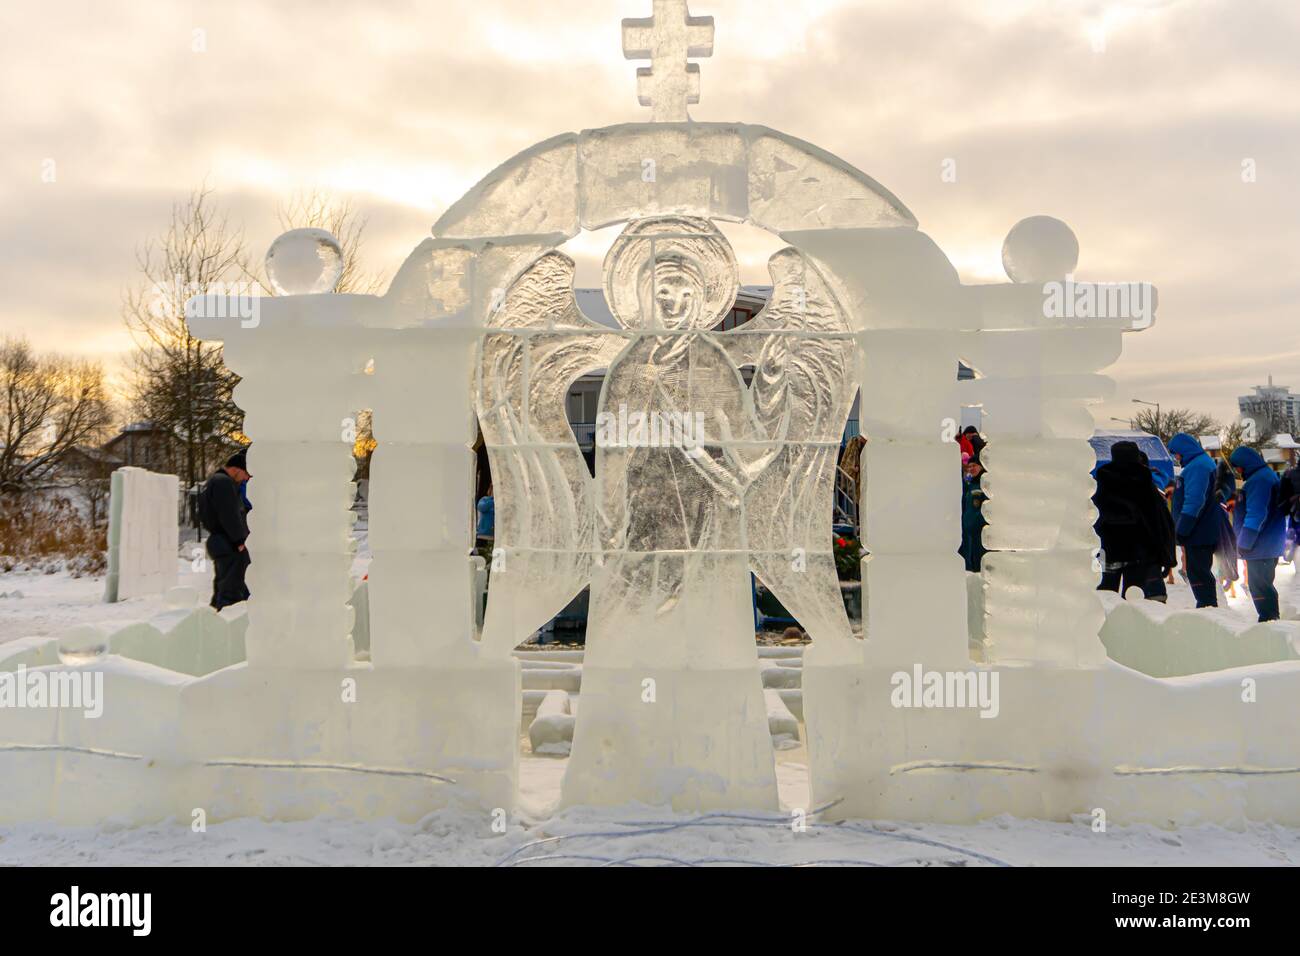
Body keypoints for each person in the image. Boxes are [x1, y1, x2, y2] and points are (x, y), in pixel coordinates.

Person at [1092, 441, 1176, 600]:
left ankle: (1107, 623)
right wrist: (1164, 555)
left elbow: (1092, 516)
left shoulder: (1102, 479)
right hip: (1138, 551)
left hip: (1106, 548)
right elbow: (1157, 521)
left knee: (1104, 596)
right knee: (1135, 597)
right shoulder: (1144, 480)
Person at [1228, 445, 1287, 622]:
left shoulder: (1258, 481)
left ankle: (1268, 622)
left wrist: (1245, 542)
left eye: (1238, 466)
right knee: (1264, 585)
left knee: (1260, 587)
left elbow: (1256, 514)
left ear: (1245, 464)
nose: (1237, 470)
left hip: (1260, 545)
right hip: (1267, 543)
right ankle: (1270, 620)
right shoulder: (1264, 476)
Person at [1167, 433, 1222, 608]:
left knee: (1198, 572)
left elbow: (1194, 501)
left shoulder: (1198, 467)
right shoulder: (1199, 464)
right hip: (1201, 530)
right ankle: (1207, 606)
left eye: (1177, 453)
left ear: (1184, 450)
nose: (1176, 457)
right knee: (1198, 571)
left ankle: (1207, 609)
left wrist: (1183, 529)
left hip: (1199, 531)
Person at [197, 451, 252, 610]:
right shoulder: (223, 482)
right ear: (236, 469)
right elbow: (229, 513)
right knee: (231, 591)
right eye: (245, 474)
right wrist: (239, 540)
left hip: (220, 541)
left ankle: (215, 619)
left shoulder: (214, 481)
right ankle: (226, 622)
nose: (246, 478)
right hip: (228, 542)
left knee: (223, 586)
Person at [959, 458, 988, 572]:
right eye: (969, 466)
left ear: (981, 466)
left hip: (980, 533)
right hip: (967, 534)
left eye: (974, 465)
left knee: (980, 566)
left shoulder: (985, 485)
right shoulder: (970, 484)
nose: (971, 468)